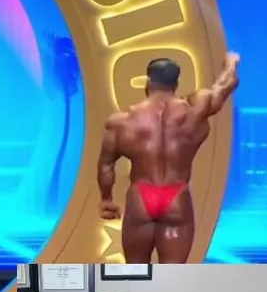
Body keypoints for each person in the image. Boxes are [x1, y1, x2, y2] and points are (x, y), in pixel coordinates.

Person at [98, 52, 240, 263]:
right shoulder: (194, 110)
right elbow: (227, 84)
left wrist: (106, 199)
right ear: (176, 83)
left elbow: (106, 163)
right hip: (176, 196)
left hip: (140, 197)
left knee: (136, 274)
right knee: (173, 275)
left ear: (148, 82)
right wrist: (231, 63)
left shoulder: (122, 121)